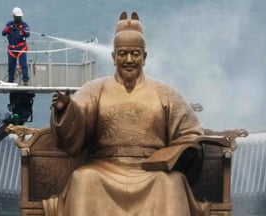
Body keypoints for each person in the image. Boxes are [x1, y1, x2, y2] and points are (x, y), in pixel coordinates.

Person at [46, 11, 210, 216]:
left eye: (135, 54)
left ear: (145, 57)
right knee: (83, 178)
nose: (129, 60)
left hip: (153, 171)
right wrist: (66, 110)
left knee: (172, 182)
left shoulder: (166, 93)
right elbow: (78, 119)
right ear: (114, 57)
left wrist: (183, 148)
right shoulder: (94, 89)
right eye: (123, 53)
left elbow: (190, 132)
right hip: (104, 167)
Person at [2, 7, 30, 85]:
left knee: (23, 64)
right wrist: (8, 29)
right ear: (14, 16)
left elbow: (28, 34)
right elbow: (3, 33)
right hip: (12, 48)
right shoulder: (9, 24)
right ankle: (10, 80)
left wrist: (23, 31)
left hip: (21, 48)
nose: (18, 18)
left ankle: (25, 80)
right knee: (11, 66)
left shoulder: (24, 25)